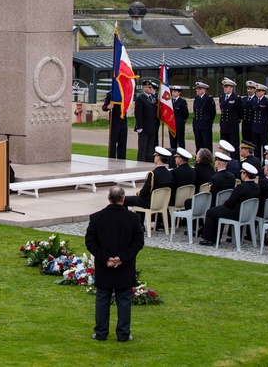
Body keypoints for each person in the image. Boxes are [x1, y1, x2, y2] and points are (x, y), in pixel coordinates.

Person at [85, 186, 144, 343]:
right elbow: (138, 242)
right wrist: (121, 258)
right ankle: (123, 334)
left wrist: (106, 258)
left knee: (103, 298)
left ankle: (101, 333)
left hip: (105, 265)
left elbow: (90, 242)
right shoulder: (133, 219)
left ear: (109, 198)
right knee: (124, 299)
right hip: (124, 265)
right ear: (123, 199)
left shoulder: (97, 218)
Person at [199, 162, 260, 246]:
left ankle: (209, 239)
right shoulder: (256, 187)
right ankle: (215, 237)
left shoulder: (241, 187)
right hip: (248, 213)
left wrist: (225, 202)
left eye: (242, 173)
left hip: (236, 212)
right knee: (217, 211)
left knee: (211, 212)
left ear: (245, 174)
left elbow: (230, 202)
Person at [133, 80, 158, 163]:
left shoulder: (153, 97)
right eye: (149, 87)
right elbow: (138, 113)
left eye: (151, 87)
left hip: (152, 126)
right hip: (144, 127)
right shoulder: (140, 98)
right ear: (144, 88)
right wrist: (139, 126)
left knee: (150, 147)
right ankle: (140, 162)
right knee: (142, 147)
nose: (151, 89)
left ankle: (149, 161)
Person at [249, 84, 268, 158]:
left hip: (263, 127)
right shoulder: (255, 101)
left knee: (265, 145)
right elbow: (252, 113)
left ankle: (265, 161)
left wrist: (265, 119)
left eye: (259, 91)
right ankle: (257, 160)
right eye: (257, 91)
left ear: (263, 92)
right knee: (256, 146)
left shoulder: (267, 101)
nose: (257, 93)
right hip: (256, 127)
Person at [101, 90, 128, 160]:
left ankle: (122, 159)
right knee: (113, 143)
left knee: (122, 142)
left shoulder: (126, 93)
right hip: (114, 121)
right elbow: (104, 107)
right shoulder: (112, 94)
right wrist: (108, 107)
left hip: (123, 120)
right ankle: (111, 159)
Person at [218, 78, 242, 154]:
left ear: (231, 88)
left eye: (227, 87)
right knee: (224, 144)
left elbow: (240, 112)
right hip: (224, 124)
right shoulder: (222, 97)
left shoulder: (236, 98)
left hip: (232, 124)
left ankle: (234, 160)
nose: (225, 88)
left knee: (233, 144)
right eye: (224, 87)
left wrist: (236, 120)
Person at [191, 81, 216, 152]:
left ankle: (207, 157)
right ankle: (199, 157)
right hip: (197, 124)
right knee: (198, 142)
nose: (197, 90)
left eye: (199, 89)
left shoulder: (208, 99)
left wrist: (208, 121)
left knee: (206, 143)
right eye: (197, 89)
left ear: (204, 90)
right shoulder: (196, 98)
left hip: (205, 124)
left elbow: (212, 112)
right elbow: (195, 111)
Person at [169, 86, 189, 150]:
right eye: (172, 91)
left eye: (175, 92)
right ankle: (173, 153)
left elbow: (185, 113)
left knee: (180, 140)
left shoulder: (182, 101)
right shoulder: (169, 101)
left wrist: (182, 121)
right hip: (171, 124)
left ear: (179, 93)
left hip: (179, 124)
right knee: (172, 140)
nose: (173, 93)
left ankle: (181, 154)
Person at [240, 80, 256, 146]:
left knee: (253, 143)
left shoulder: (256, 99)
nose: (249, 90)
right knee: (245, 143)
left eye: (251, 89)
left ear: (254, 90)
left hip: (253, 124)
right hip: (245, 124)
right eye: (248, 89)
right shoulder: (244, 99)